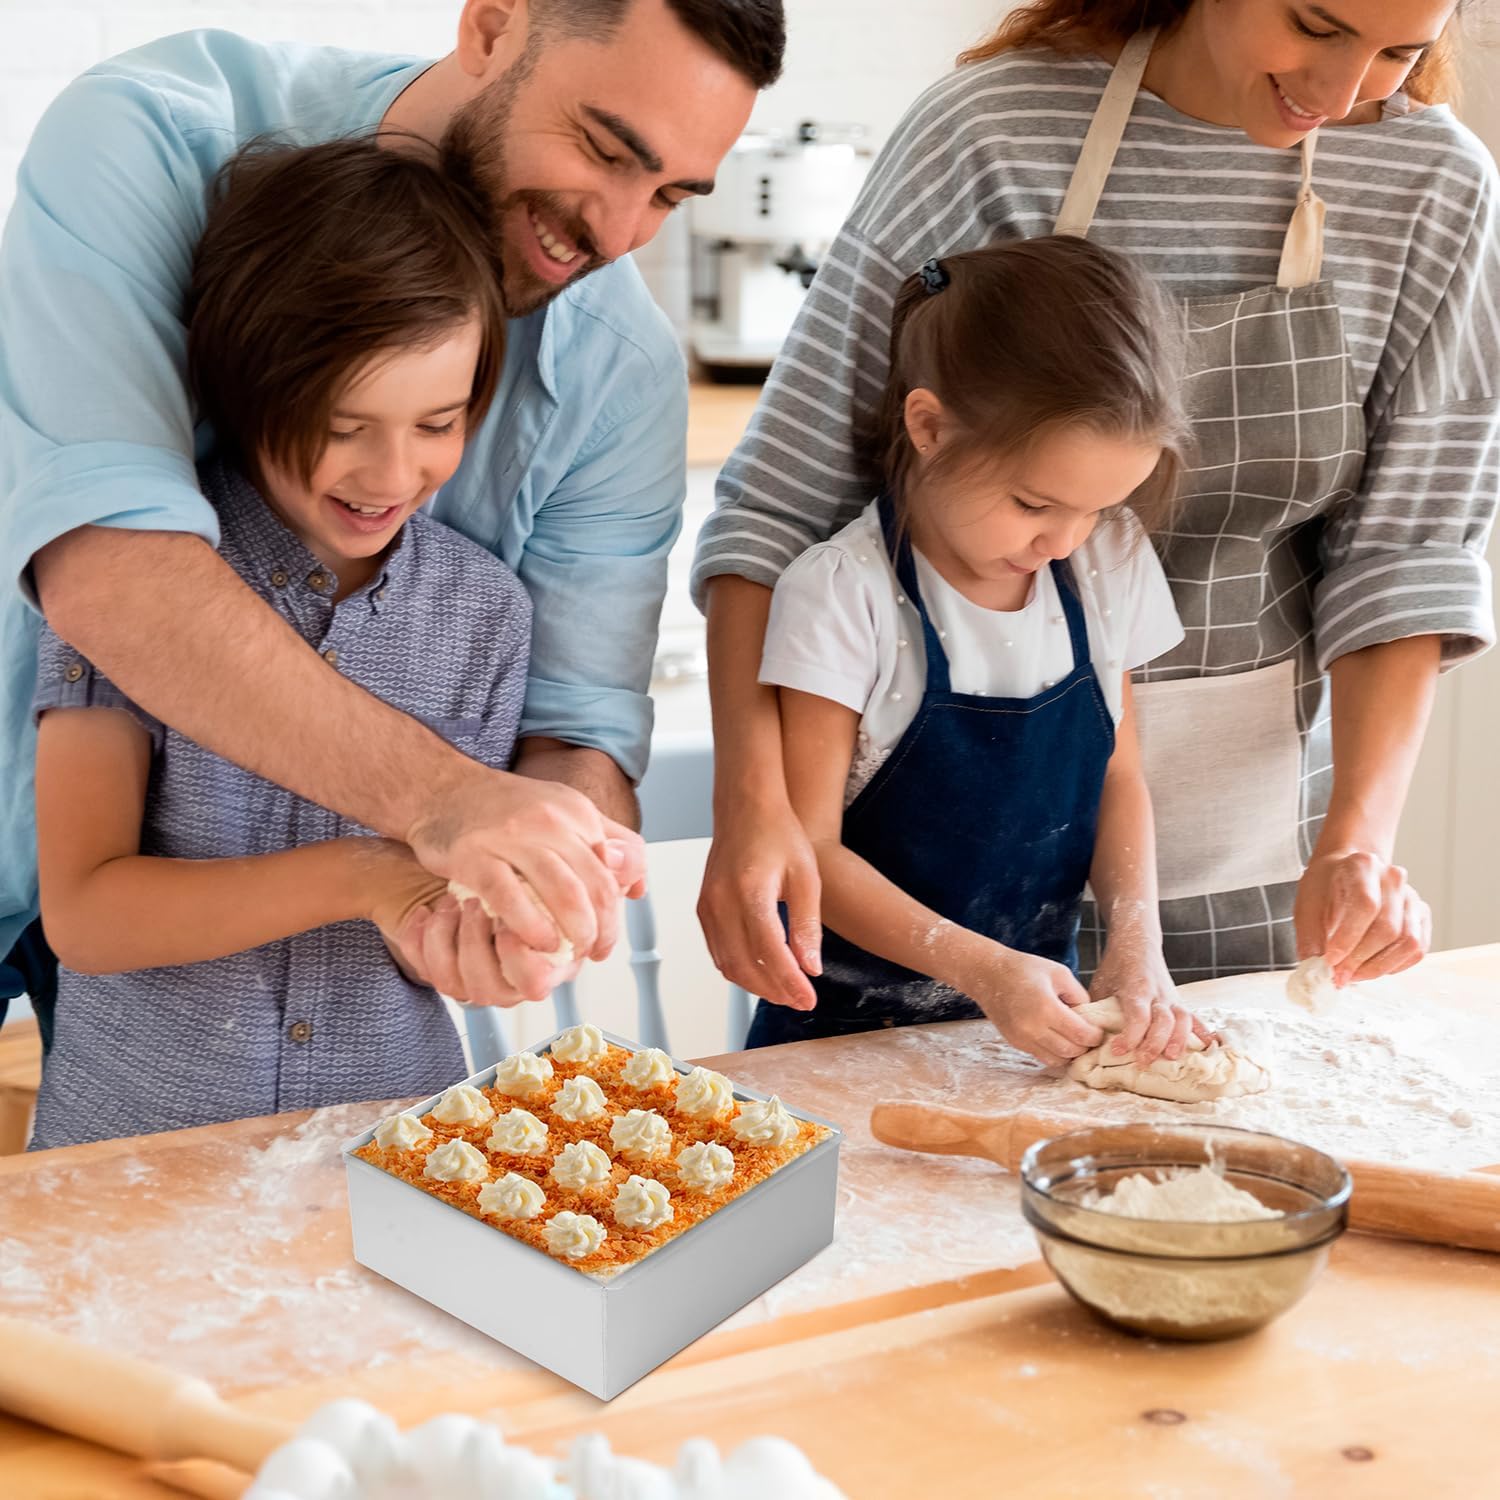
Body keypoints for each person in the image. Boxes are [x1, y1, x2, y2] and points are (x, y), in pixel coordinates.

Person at [696, 0, 1497, 1057]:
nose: (1345, 94)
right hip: (927, 896)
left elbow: (1406, 548)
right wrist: (755, 806)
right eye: (1315, 24)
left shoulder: (1432, 182)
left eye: (1401, 53)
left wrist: (1358, 839)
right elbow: (780, 503)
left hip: (1259, 859)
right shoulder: (994, 132)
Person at [0, 0, 786, 1038]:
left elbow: (573, 736)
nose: (617, 230)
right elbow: (112, 570)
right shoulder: (149, 138)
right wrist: (443, 802)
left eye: (670, 197)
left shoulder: (621, 370)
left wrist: (542, 893)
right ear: (495, 24)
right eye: (604, 149)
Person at [28, 135, 547, 1148]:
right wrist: (365, 877)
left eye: (438, 423)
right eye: (344, 424)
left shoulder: (487, 615)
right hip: (138, 1152)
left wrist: (482, 942)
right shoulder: (141, 585)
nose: (392, 473)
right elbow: (85, 915)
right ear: (246, 386)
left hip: (393, 1151)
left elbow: (431, 922)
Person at [748, 236, 1209, 1063]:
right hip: (841, 1037)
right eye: (1035, 502)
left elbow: (1119, 775)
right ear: (928, 425)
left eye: (1097, 509)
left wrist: (1138, 946)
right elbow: (809, 849)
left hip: (1037, 1032)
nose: (1064, 541)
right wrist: (984, 970)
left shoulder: (1108, 564)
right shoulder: (842, 596)